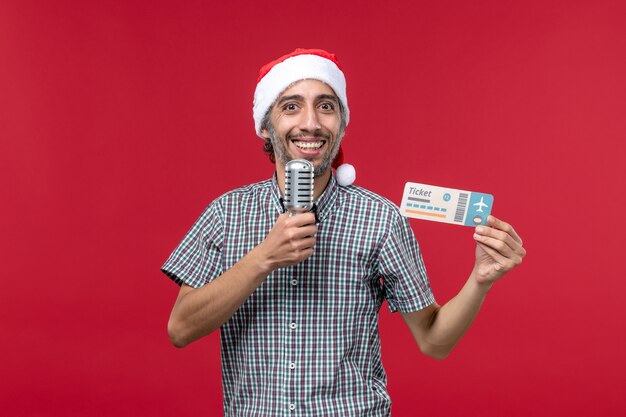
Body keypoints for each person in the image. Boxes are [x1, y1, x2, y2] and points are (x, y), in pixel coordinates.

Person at [162, 48, 526, 417]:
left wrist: (481, 281)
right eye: (291, 107)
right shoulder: (227, 214)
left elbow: (434, 341)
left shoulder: (379, 219)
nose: (311, 124)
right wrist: (264, 258)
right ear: (264, 125)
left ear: (342, 123)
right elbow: (181, 328)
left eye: (325, 106)